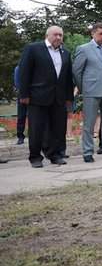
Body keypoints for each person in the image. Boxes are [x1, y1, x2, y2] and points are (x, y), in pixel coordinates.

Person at [18, 25, 74, 167]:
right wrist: (24, 94)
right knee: (37, 128)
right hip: (37, 96)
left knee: (58, 128)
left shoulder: (65, 53)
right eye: (55, 35)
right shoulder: (33, 49)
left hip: (59, 97)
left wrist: (69, 98)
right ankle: (35, 157)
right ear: (47, 35)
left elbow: (68, 77)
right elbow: (24, 72)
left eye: (61, 35)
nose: (58, 38)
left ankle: (54, 155)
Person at [72, 22, 102, 162]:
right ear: (92, 33)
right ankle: (87, 152)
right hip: (91, 91)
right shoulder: (84, 49)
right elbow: (77, 71)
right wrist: (83, 88)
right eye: (100, 33)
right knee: (89, 123)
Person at [13, 65, 27, 145]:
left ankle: (35, 136)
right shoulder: (18, 68)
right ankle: (20, 136)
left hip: (33, 94)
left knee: (34, 117)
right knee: (21, 116)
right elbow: (17, 83)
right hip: (22, 94)